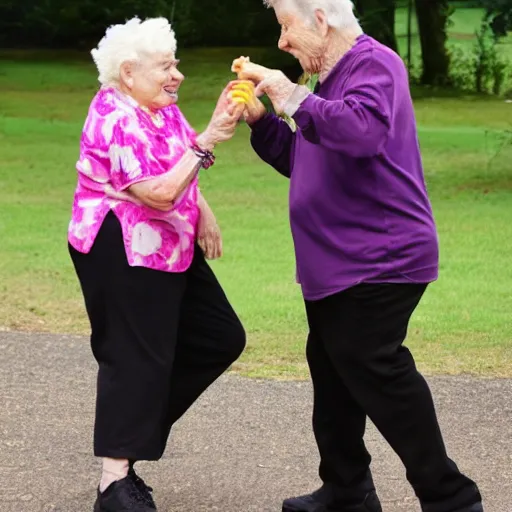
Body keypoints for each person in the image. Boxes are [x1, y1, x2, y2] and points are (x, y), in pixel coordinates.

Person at [228, 1, 484, 511]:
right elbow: (307, 161)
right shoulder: (330, 82)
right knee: (332, 366)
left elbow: (360, 131)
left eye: (286, 27)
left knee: (374, 366)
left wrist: (283, 89)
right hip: (336, 265)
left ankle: (452, 499)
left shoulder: (374, 64)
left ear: (320, 20)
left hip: (380, 258)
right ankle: (347, 490)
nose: (280, 42)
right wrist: (263, 121)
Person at [68, 17, 246, 512]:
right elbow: (160, 191)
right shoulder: (113, 116)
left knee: (220, 337)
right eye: (166, 66)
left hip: (168, 241)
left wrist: (204, 212)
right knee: (134, 355)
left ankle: (130, 437)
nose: (178, 75)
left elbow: (177, 164)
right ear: (129, 72)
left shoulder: (160, 108)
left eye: (176, 63)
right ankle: (113, 481)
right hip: (118, 243)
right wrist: (208, 139)